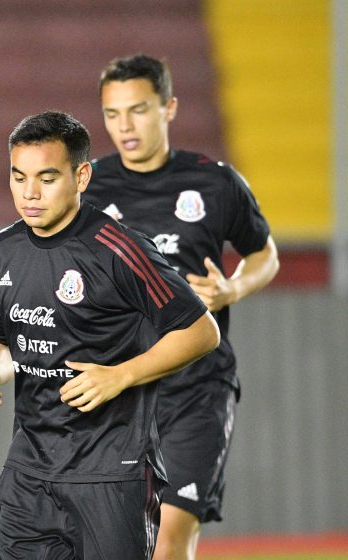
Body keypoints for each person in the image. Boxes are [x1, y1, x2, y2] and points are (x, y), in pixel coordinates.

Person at [0, 111, 220, 559]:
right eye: (18, 177)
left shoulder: (121, 249)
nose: (30, 193)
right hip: (29, 471)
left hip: (110, 471)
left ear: (81, 176)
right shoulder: (0, 252)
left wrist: (120, 375)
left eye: (46, 178)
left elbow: (201, 331)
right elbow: (5, 343)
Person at [83, 54, 280, 560]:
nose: (124, 126)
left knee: (170, 542)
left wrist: (233, 289)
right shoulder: (88, 189)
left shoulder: (215, 182)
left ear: (169, 108)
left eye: (139, 110)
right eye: (112, 113)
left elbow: (264, 254)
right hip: (122, 391)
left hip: (197, 389)